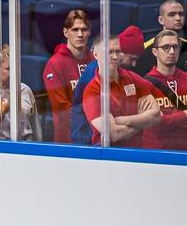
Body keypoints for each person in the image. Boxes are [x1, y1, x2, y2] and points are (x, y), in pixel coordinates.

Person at [70, 26, 145, 145]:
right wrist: (143, 122)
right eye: (131, 58)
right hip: (88, 140)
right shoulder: (96, 73)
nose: (134, 64)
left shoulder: (120, 74)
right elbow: (112, 132)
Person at [81, 36, 161, 147]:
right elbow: (114, 134)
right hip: (108, 156)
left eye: (117, 51)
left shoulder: (133, 78)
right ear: (95, 55)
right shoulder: (92, 90)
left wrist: (123, 120)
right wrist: (143, 120)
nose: (115, 57)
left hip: (137, 152)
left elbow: (156, 116)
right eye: (109, 52)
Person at [142, 29, 187, 151]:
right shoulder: (145, 84)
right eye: (166, 47)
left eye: (175, 47)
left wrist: (167, 120)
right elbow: (153, 123)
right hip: (156, 153)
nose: (172, 51)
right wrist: (185, 114)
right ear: (155, 51)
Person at [43, 9, 94, 142]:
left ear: (90, 32)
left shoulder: (96, 60)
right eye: (75, 30)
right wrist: (97, 117)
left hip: (96, 136)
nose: (80, 34)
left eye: (84, 29)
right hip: (69, 140)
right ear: (66, 32)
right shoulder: (55, 64)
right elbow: (62, 109)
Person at [137, 0, 187, 77]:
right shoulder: (146, 49)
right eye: (172, 15)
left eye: (181, 14)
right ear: (161, 20)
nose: (178, 18)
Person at [0, 44, 36, 141]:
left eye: (15, 67)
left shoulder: (24, 89)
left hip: (25, 143)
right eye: (8, 69)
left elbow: (34, 123)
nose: (14, 72)